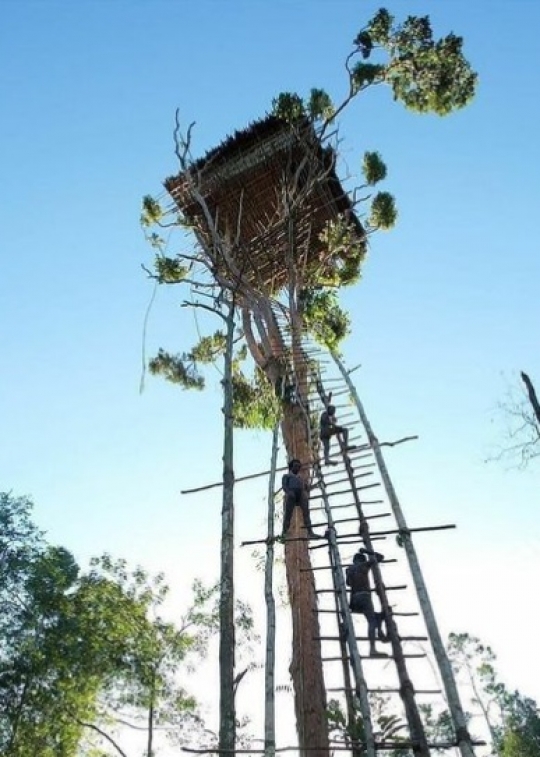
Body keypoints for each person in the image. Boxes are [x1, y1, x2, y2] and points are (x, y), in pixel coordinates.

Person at [346, 548, 389, 657]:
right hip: (365, 596)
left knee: (377, 617)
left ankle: (380, 632)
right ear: (362, 560)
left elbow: (348, 584)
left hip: (354, 601)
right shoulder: (364, 565)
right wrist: (367, 551)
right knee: (372, 621)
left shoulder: (349, 569)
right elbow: (380, 557)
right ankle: (373, 649)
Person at [281, 459, 322, 539]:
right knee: (288, 515)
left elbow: (308, 488)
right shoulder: (287, 476)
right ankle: (284, 532)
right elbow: (284, 486)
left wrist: (316, 485)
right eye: (296, 466)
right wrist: (289, 492)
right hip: (291, 494)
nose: (297, 468)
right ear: (291, 467)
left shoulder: (300, 479)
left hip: (300, 495)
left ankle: (310, 532)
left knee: (306, 513)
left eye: (299, 466)